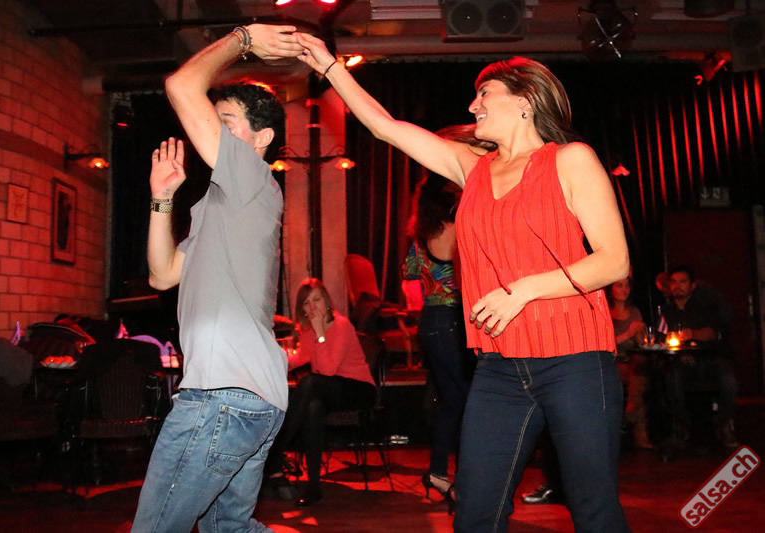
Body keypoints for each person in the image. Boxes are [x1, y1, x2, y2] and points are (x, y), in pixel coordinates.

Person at [295, 37, 630, 532]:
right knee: (474, 511)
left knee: (593, 509)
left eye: (484, 93)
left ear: (525, 99)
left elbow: (614, 261)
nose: (473, 105)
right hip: (498, 366)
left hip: (575, 359)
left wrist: (524, 290)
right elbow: (385, 126)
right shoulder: (471, 168)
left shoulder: (570, 159)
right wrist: (330, 66)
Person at [131, 25, 303, 532]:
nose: (213, 131)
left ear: (261, 139)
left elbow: (182, 85)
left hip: (223, 397)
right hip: (247, 398)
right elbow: (163, 275)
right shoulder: (221, 207)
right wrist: (162, 199)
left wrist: (243, 38)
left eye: (228, 123)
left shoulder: (252, 177)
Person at [265, 278, 376, 506]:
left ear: (326, 301)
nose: (312, 306)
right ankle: (313, 486)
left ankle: (275, 451)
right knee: (313, 406)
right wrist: (272, 361)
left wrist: (320, 333)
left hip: (359, 388)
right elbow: (300, 358)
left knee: (310, 383)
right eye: (306, 303)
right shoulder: (308, 330)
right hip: (329, 389)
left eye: (316, 299)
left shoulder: (341, 325)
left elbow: (327, 369)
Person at [404, 173, 474, 513]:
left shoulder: (421, 237)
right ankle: (466, 481)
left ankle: (437, 472)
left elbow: (408, 276)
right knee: (470, 401)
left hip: (430, 323)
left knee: (453, 401)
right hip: (452, 322)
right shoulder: (459, 229)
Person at [661, 265, 738, 448]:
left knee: (728, 379)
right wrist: (681, 353)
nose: (677, 286)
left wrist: (692, 334)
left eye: (682, 282)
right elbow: (660, 339)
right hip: (679, 360)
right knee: (672, 376)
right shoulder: (665, 311)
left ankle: (724, 424)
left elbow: (713, 333)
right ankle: (680, 426)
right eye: (674, 282)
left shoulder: (704, 306)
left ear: (692, 285)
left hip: (710, 357)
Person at [609, 276, 654, 448]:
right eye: (619, 285)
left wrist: (640, 335)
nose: (624, 289)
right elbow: (606, 344)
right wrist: (628, 333)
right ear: (610, 289)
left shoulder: (634, 311)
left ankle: (631, 411)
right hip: (613, 362)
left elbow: (641, 344)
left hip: (633, 361)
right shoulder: (605, 312)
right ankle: (634, 421)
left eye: (627, 286)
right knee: (636, 374)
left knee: (640, 365)